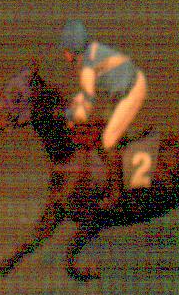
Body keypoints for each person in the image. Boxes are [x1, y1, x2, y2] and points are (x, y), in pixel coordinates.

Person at [54, 20, 148, 209]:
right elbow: (87, 93)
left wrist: (68, 115)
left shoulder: (87, 67)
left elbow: (85, 109)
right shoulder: (91, 51)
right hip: (122, 90)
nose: (64, 54)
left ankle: (116, 193)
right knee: (106, 126)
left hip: (132, 90)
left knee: (108, 139)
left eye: (66, 49)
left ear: (73, 49)